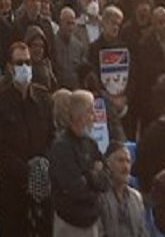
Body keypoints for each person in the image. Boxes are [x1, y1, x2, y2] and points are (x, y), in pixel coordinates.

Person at [0, 41, 54, 236]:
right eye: (19, 63)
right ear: (9, 67)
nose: (25, 67)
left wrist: (42, 166)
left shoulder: (44, 99)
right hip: (13, 190)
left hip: (43, 188)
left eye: (27, 62)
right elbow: (0, 150)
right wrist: (28, 171)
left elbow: (52, 136)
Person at [47, 90, 109, 236]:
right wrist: (94, 177)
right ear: (80, 116)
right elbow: (75, 189)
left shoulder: (91, 143)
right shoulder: (61, 147)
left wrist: (88, 176)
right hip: (69, 224)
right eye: (90, 112)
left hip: (92, 223)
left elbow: (107, 177)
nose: (94, 118)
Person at [96, 141, 148, 237]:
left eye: (128, 161)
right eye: (120, 160)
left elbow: (143, 233)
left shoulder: (136, 198)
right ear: (108, 164)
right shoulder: (99, 197)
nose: (125, 167)